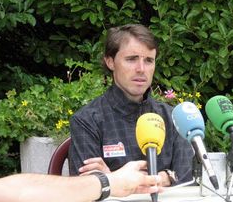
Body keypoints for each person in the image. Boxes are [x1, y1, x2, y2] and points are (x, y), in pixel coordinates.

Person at [69, 24, 194, 186]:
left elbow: (188, 180)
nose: (141, 69)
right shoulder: (87, 120)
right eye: (131, 59)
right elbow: (86, 188)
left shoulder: (173, 118)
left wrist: (112, 179)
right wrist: (165, 177)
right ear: (110, 62)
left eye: (149, 60)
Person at [0, 160, 162, 202]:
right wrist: (110, 181)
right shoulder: (87, 117)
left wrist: (110, 181)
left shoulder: (168, 115)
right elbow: (18, 194)